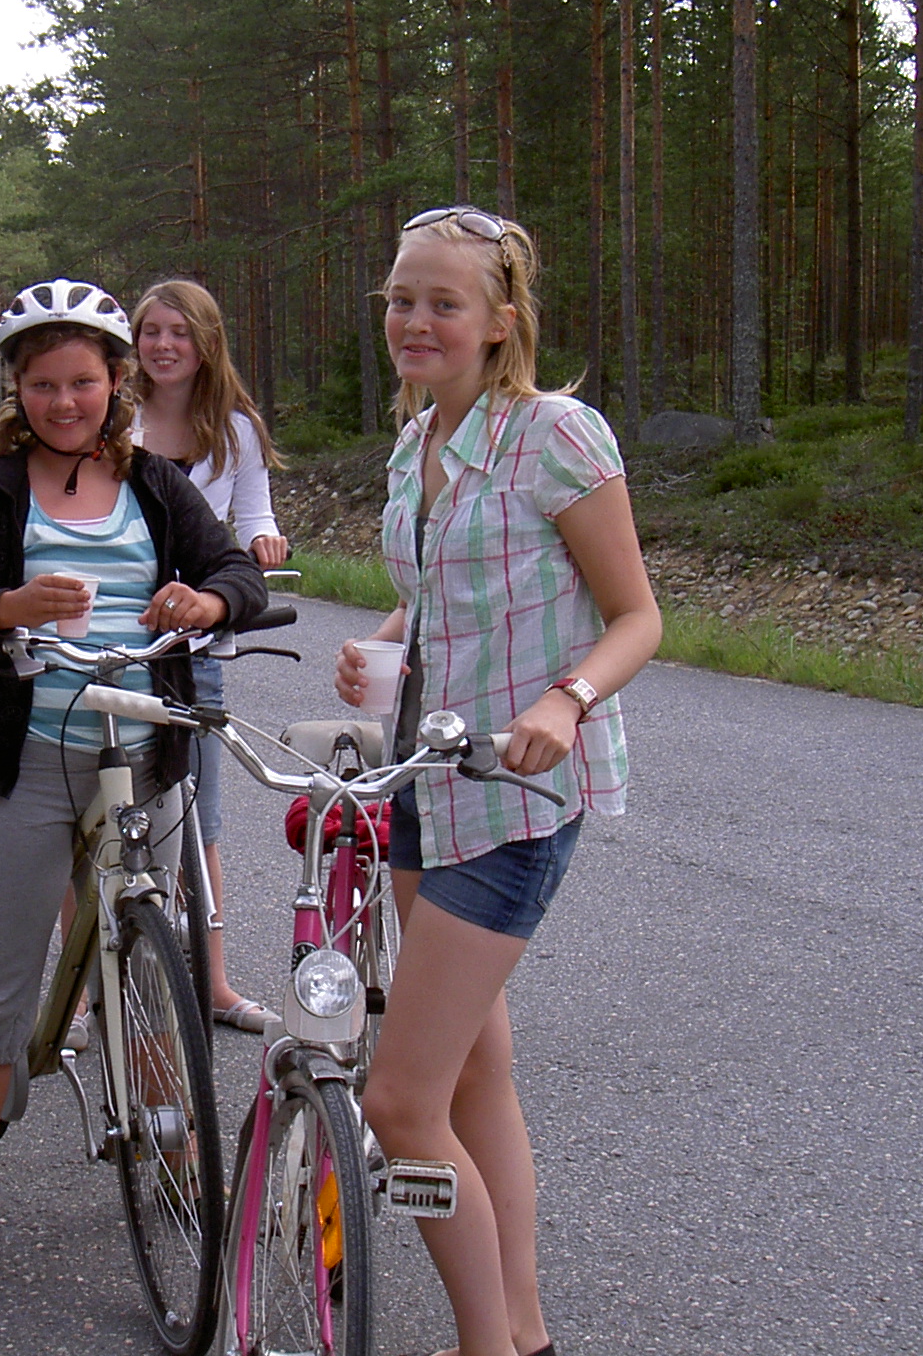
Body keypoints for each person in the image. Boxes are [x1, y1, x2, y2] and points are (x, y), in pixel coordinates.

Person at [0, 278, 267, 1305]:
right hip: (23, 767)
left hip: (142, 756)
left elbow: (239, 571)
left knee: (152, 964)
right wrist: (2, 605)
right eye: (43, 384)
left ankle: (176, 1157)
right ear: (17, 388)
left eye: (83, 382)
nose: (64, 403)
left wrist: (207, 595)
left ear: (114, 384)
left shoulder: (151, 485)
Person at [334, 208, 660, 1356]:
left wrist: (563, 701)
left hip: (518, 795)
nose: (414, 320)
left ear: (497, 323)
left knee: (396, 1104)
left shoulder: (554, 436)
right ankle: (519, 1324)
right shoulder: (416, 439)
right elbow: (434, 596)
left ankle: (492, 1346)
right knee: (473, 1076)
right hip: (427, 776)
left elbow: (635, 615)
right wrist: (380, 642)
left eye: (442, 302)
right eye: (399, 298)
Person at [129, 278, 288, 1033]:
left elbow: (253, 514)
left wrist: (261, 541)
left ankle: (215, 983)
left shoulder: (234, 430)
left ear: (206, 343)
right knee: (93, 813)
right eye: (151, 331)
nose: (164, 345)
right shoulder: (111, 417)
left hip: (195, 645)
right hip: (116, 638)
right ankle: (92, 991)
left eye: (179, 333)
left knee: (200, 820)